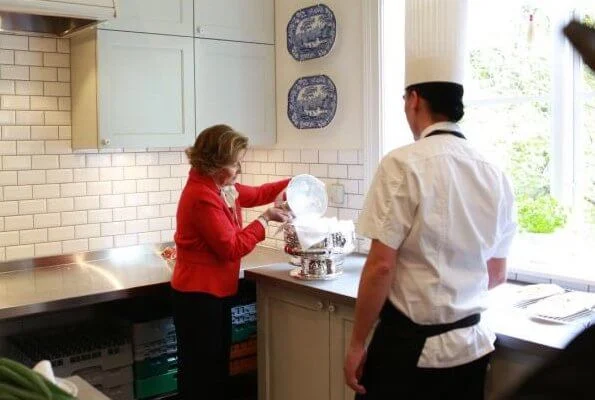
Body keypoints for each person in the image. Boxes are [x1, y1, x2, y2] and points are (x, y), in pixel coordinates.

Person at [344, 1, 516, 399]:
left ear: (414, 100)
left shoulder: (402, 163)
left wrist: (356, 344)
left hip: (410, 353)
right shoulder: (496, 172)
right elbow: (497, 272)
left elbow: (379, 268)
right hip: (472, 349)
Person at [171, 124, 290, 399]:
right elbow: (232, 247)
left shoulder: (220, 187)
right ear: (215, 163)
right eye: (234, 163)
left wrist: (295, 182)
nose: (238, 169)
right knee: (202, 375)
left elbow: (258, 193)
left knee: (214, 369)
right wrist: (265, 219)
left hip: (214, 294)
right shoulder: (202, 196)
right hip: (198, 297)